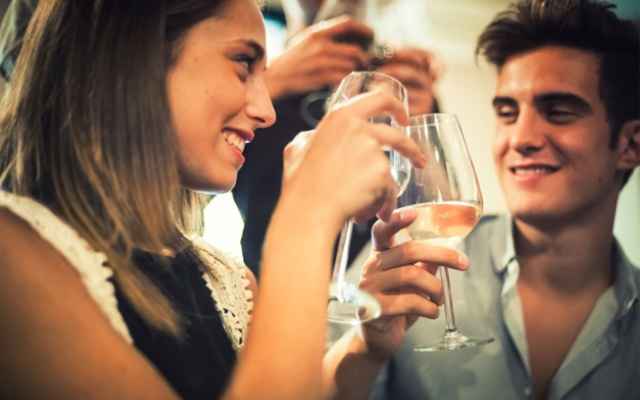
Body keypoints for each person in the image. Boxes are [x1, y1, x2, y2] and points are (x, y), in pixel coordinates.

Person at [0, 0, 465, 399]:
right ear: (132, 56)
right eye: (244, 63)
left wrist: (365, 346)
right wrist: (305, 217)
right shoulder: (12, 257)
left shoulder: (224, 279)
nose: (265, 111)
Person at [360, 0, 640, 399]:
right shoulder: (401, 270)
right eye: (507, 113)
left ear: (630, 144)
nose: (520, 139)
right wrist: (363, 351)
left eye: (558, 111)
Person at [234, 0, 440, 275]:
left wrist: (415, 124)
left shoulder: (399, 89)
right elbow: (178, 192)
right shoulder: (258, 92)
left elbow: (441, 207)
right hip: (267, 292)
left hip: (373, 300)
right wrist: (271, 80)